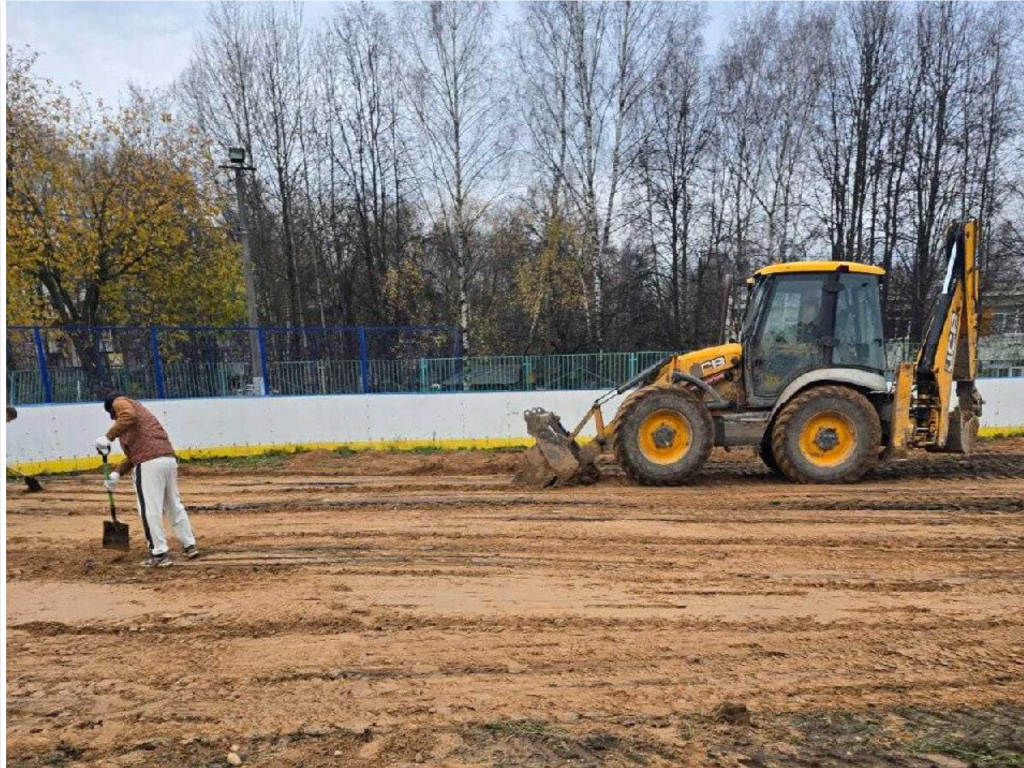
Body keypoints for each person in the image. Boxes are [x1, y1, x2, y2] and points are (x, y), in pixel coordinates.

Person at [95, 392, 199, 567]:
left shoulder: (121, 402)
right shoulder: (139, 421)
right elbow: (132, 455)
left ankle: (159, 553)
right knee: (174, 505)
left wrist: (108, 437)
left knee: (149, 509)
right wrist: (116, 474)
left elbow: (128, 415)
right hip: (167, 460)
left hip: (149, 465)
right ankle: (189, 545)